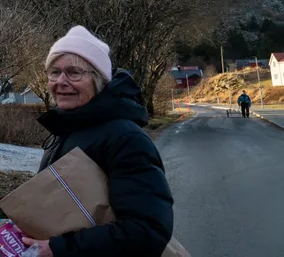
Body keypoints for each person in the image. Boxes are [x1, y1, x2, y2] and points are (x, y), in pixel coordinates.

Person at [21, 26, 174, 257]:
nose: (61, 81)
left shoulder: (125, 138)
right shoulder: (67, 128)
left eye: (73, 72)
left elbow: (147, 231)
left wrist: (58, 249)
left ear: (98, 80)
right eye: (54, 72)